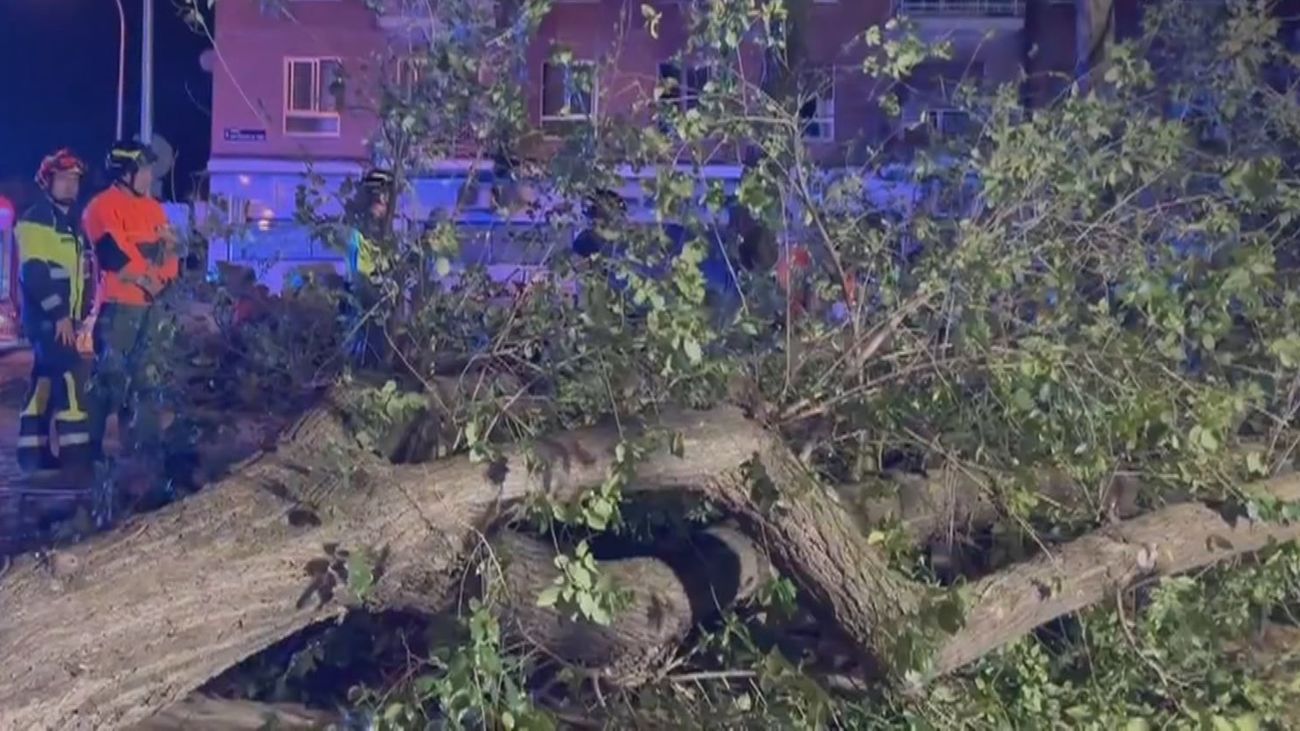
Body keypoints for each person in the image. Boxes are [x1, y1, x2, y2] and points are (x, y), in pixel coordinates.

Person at [81, 140, 180, 461]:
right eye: (144, 170)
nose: (149, 177)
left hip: (150, 309)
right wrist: (146, 278)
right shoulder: (101, 207)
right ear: (125, 173)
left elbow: (171, 252)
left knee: (147, 381)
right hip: (119, 309)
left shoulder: (154, 208)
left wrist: (160, 278)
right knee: (109, 380)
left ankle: (142, 454)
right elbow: (114, 254)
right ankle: (90, 452)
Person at [13, 149, 92, 474]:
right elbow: (34, 272)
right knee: (71, 381)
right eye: (63, 179)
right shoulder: (36, 219)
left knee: (43, 383)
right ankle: (77, 461)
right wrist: (60, 314)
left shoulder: (69, 224)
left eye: (75, 180)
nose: (70, 186)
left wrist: (81, 313)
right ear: (47, 182)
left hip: (61, 319)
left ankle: (32, 455)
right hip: (49, 320)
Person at [342, 168, 393, 365]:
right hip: (365, 283)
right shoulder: (366, 226)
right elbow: (360, 260)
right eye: (384, 199)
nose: (386, 205)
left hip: (367, 283)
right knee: (365, 330)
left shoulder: (368, 225)